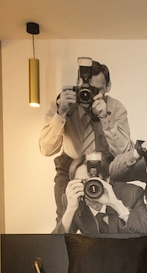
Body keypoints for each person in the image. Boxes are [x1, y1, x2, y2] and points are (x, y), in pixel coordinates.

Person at [39, 57, 132, 219]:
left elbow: (124, 153)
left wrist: (105, 118)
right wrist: (61, 113)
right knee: (65, 216)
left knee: (112, 216)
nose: (89, 94)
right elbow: (46, 150)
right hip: (70, 165)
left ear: (108, 87)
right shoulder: (62, 104)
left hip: (106, 167)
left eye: (97, 90)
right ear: (77, 83)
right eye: (85, 88)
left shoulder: (115, 108)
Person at [52, 153, 147, 234]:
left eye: (93, 181)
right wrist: (70, 209)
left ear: (107, 180)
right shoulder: (72, 199)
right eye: (82, 182)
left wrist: (116, 205)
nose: (90, 187)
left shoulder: (132, 193)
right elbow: (56, 243)